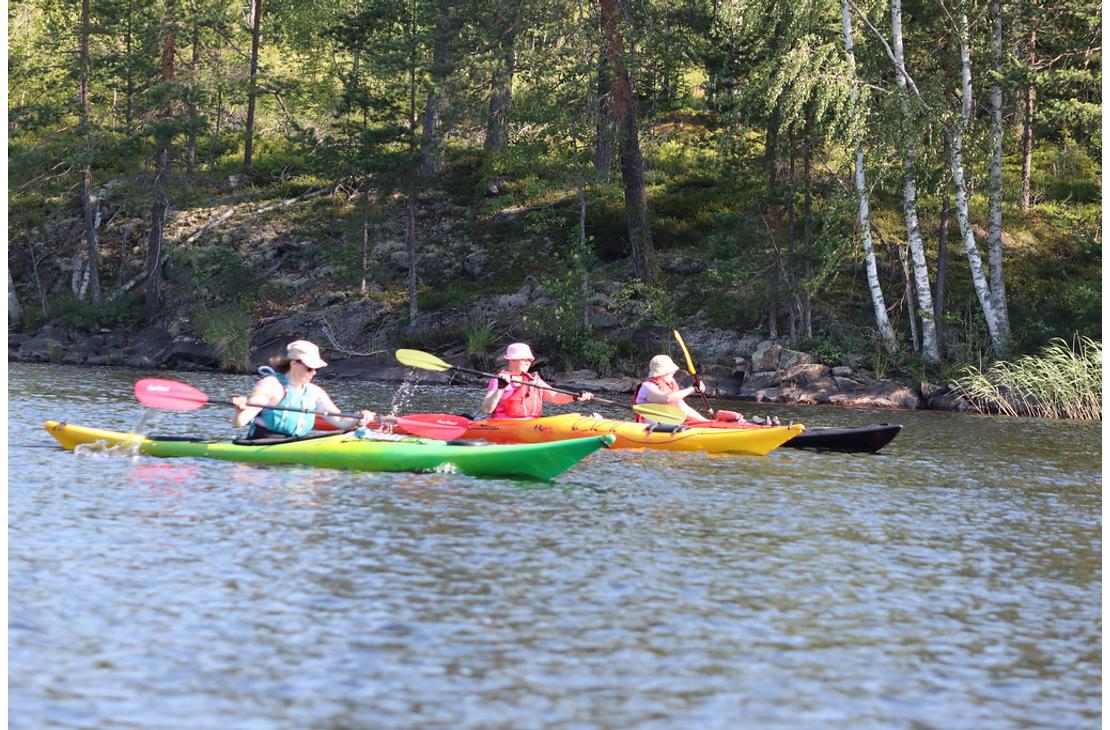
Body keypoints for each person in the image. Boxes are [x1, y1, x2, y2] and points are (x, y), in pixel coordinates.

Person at [231, 340, 375, 439]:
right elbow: (240, 422)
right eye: (310, 368)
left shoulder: (315, 392)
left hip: (294, 444)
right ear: (294, 363)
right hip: (260, 444)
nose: (314, 372)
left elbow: (340, 421)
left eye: (316, 368)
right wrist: (240, 410)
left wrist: (358, 420)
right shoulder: (270, 386)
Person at [480, 342, 594, 418]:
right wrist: (500, 388)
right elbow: (486, 409)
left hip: (532, 425)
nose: (527, 363)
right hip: (505, 426)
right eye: (523, 359)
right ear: (512, 360)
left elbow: (555, 396)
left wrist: (574, 396)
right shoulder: (499, 380)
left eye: (529, 360)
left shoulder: (534, 381)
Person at [633, 354, 708, 423]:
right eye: (669, 370)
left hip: (669, 429)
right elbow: (667, 399)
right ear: (661, 373)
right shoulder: (647, 387)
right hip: (649, 431)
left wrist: (706, 422)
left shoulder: (670, 386)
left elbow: (684, 408)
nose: (673, 372)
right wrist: (693, 389)